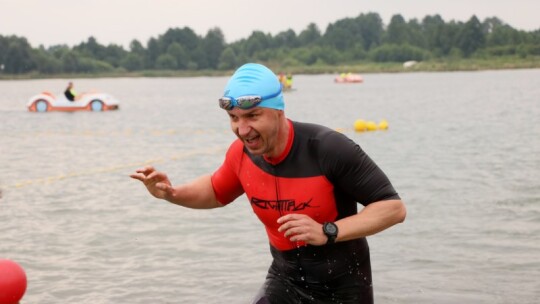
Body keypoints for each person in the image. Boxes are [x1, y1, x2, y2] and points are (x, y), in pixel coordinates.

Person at [130, 63, 406, 303]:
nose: (242, 129)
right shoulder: (241, 154)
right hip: (285, 280)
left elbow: (393, 208)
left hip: (344, 284)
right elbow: (215, 191)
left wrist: (328, 231)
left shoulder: (327, 149)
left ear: (278, 111)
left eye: (252, 116)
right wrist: (171, 193)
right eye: (234, 118)